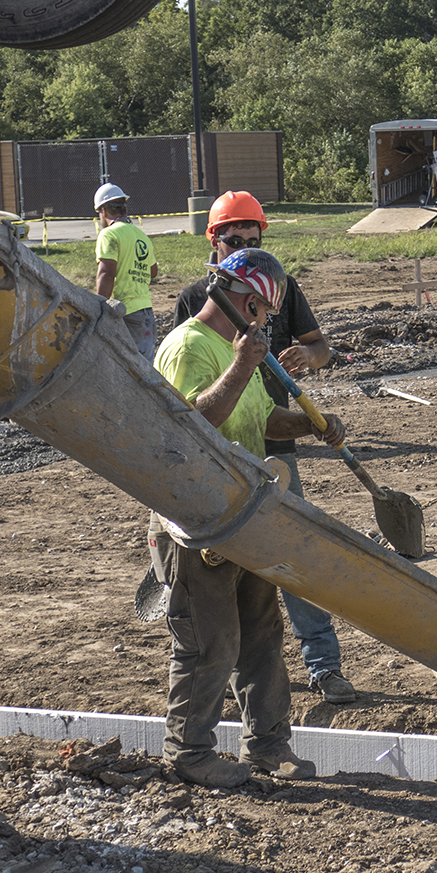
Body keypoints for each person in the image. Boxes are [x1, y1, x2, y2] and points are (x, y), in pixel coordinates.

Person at [153, 248, 347, 788]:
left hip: (245, 515)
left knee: (261, 634)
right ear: (246, 302)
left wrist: (311, 426)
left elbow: (261, 421)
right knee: (210, 641)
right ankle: (188, 753)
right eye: (262, 312)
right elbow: (193, 427)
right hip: (196, 522)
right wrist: (243, 363)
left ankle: (267, 746)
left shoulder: (241, 351)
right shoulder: (190, 346)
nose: (265, 323)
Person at [173, 191, 357, 705]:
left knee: (290, 554)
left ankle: (322, 663)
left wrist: (311, 363)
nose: (248, 245)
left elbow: (321, 346)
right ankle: (230, 676)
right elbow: (190, 406)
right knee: (226, 577)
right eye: (237, 240)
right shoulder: (195, 308)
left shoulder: (278, 282)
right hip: (219, 460)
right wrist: (240, 365)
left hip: (270, 432)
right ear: (215, 240)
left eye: (255, 239)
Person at [93, 183, 159, 357]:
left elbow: (107, 273)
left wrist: (99, 307)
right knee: (145, 370)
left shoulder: (109, 234)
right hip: (147, 314)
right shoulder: (141, 236)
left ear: (103, 211)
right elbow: (153, 271)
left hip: (125, 313)